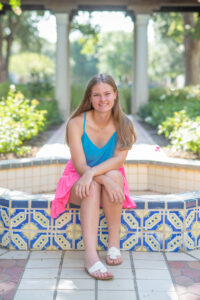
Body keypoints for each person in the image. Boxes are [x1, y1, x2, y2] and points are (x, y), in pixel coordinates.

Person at [51, 74, 137, 280]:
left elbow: (118, 161)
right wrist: (92, 175)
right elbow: (80, 166)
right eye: (96, 95)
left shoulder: (125, 123)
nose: (102, 99)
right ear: (89, 98)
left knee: (114, 175)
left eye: (107, 94)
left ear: (115, 95)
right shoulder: (76, 123)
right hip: (77, 179)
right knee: (93, 186)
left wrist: (93, 173)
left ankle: (113, 243)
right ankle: (90, 257)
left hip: (106, 177)